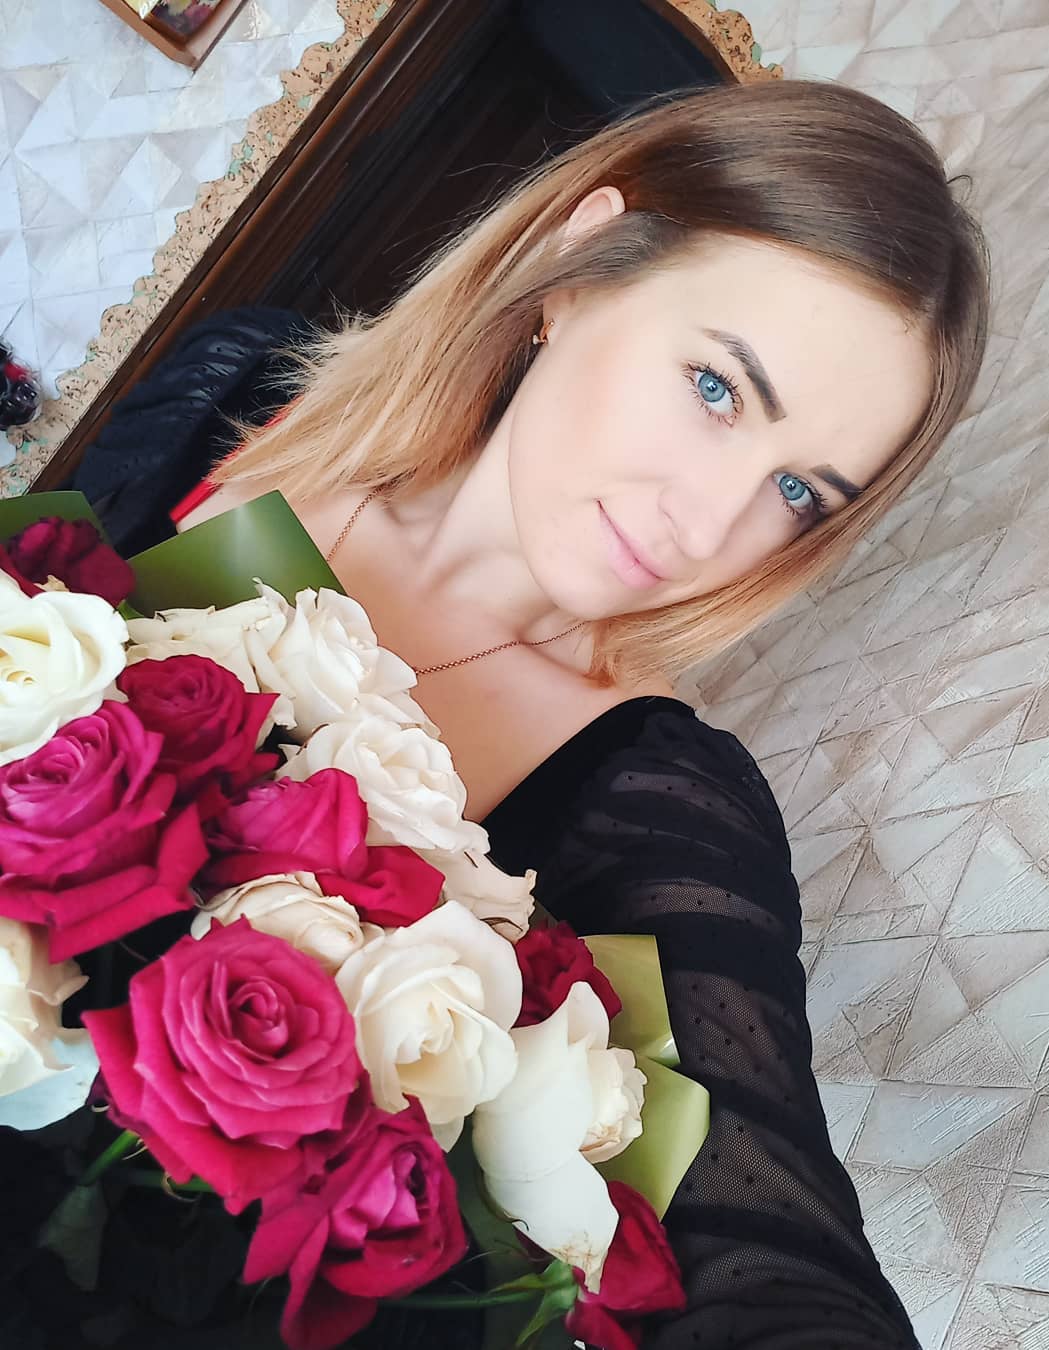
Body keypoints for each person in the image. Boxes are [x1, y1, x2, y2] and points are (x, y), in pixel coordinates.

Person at [175, 78, 989, 1348]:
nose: (709, 529)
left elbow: (763, 1239)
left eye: (797, 492)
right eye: (716, 388)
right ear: (576, 269)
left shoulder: (657, 796)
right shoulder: (223, 402)